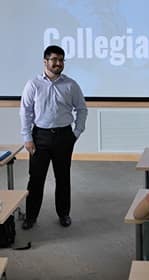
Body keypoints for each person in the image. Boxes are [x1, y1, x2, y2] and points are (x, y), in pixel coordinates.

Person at [19, 45, 88, 230]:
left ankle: (64, 214)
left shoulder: (71, 85)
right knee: (36, 179)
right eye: (54, 59)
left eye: (61, 60)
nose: (58, 63)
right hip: (39, 137)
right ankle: (31, 217)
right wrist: (27, 137)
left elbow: (82, 109)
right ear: (45, 61)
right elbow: (25, 112)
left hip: (64, 136)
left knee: (63, 177)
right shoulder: (33, 84)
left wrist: (76, 132)